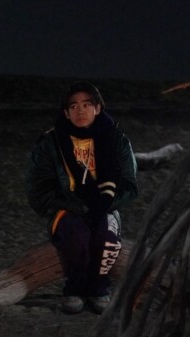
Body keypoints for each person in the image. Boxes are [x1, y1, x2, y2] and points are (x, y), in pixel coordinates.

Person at [26, 81, 138, 314]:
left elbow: (129, 186)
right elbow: (38, 190)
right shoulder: (51, 143)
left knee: (107, 238)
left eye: (87, 104)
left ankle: (99, 289)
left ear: (97, 108)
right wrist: (74, 205)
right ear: (66, 112)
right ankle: (74, 289)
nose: (80, 111)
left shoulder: (116, 139)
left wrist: (103, 204)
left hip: (106, 206)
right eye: (74, 106)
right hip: (68, 208)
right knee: (76, 237)